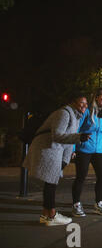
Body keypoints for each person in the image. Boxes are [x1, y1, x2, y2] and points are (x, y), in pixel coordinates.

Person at [23, 94, 90, 226]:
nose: (84, 105)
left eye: (86, 103)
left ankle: (45, 214)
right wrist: (79, 137)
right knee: (51, 182)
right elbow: (57, 135)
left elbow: (67, 138)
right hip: (48, 148)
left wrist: (69, 155)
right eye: (81, 102)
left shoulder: (76, 117)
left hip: (54, 150)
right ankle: (51, 215)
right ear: (73, 102)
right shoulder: (64, 113)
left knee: (51, 182)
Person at [72, 88, 102, 217]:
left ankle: (99, 203)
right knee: (81, 177)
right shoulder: (87, 111)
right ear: (96, 97)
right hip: (84, 149)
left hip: (99, 150)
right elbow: (76, 129)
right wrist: (73, 149)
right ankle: (76, 205)